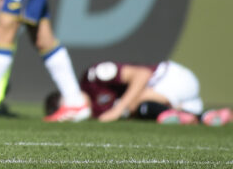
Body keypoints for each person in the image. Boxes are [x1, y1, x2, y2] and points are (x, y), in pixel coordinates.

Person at [44, 60, 231, 126]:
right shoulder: (94, 113)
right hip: (176, 99)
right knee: (142, 110)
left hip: (172, 78)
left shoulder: (94, 76)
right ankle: (204, 116)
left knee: (133, 103)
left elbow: (143, 74)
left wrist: (119, 110)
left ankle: (184, 113)